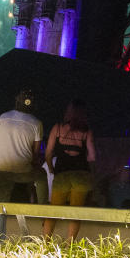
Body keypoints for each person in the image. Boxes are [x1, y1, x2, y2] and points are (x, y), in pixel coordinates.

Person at [42, 100, 97, 241]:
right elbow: (92, 157)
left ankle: (45, 245)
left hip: (62, 174)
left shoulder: (58, 128)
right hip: (81, 175)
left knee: (53, 211)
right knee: (75, 213)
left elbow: (48, 153)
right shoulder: (87, 132)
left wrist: (52, 169)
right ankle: (69, 247)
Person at [0, 89, 48, 204]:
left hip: (1, 169)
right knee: (41, 175)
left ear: (17, 101)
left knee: (0, 206)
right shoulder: (37, 123)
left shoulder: (3, 117)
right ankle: (43, 208)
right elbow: (36, 153)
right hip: (23, 172)